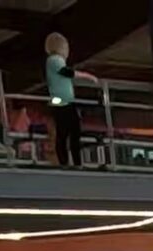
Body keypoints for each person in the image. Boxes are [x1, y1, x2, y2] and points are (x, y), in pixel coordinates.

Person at [44, 33, 101, 169]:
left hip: (64, 99)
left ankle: (73, 162)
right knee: (67, 132)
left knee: (71, 132)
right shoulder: (54, 60)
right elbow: (66, 72)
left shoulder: (54, 61)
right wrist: (88, 76)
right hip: (62, 100)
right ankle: (69, 162)